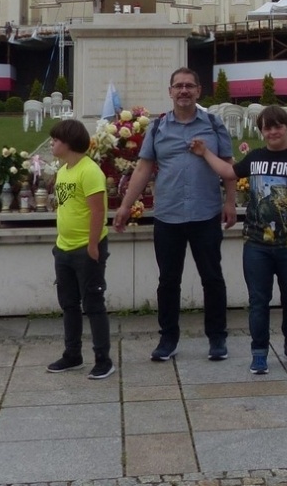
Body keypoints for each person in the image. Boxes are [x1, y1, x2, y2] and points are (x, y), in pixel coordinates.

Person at [190, 105, 287, 374]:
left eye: (278, 126)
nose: (273, 132)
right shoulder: (255, 157)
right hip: (256, 246)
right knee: (258, 301)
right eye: (267, 128)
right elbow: (229, 172)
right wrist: (205, 153)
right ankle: (259, 353)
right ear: (261, 131)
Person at [113, 67, 234, 362]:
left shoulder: (213, 124)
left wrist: (230, 202)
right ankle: (168, 338)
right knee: (168, 281)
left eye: (189, 86)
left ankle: (217, 338)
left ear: (198, 91)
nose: (183, 91)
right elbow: (143, 168)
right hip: (168, 216)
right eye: (178, 86)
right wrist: (126, 206)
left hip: (206, 214)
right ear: (170, 92)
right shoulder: (158, 127)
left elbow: (229, 164)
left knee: (212, 278)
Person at [46, 118, 114, 380]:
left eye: (55, 140)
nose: (52, 144)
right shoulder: (63, 171)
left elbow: (98, 211)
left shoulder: (90, 171)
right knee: (69, 304)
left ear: (69, 143)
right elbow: (65, 205)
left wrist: (93, 246)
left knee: (93, 304)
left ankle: (103, 359)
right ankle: (72, 354)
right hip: (63, 248)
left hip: (87, 249)